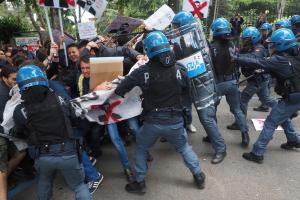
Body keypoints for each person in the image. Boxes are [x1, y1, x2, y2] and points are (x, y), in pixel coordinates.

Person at [115, 31, 206, 194]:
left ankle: (140, 182)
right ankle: (198, 175)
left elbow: (121, 89)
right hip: (176, 121)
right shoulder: (180, 68)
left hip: (152, 122)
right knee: (184, 147)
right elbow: (189, 93)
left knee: (141, 148)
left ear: (148, 50)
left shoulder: (143, 71)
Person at [13, 64, 91, 199]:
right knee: (79, 186)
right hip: (68, 152)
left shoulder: (20, 110)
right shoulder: (59, 98)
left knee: (44, 182)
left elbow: (20, 131)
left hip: (42, 156)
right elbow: (75, 117)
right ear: (43, 79)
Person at [230, 28, 300, 163]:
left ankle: (257, 153)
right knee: (282, 116)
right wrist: (264, 70)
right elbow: (277, 69)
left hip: (293, 97)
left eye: (273, 44)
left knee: (271, 122)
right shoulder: (295, 55)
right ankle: (293, 140)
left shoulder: (281, 60)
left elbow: (259, 62)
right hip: (295, 95)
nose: (271, 47)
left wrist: (237, 58)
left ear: (282, 44)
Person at [169, 11, 226, 164]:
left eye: (176, 27)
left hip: (201, 84)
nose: (174, 30)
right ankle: (207, 137)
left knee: (206, 117)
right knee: (190, 110)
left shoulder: (191, 42)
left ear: (183, 26)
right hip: (192, 83)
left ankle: (221, 148)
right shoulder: (189, 39)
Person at [227, 27, 277, 130]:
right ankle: (285, 110)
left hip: (258, 79)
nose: (244, 41)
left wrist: (237, 57)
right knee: (266, 99)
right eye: (244, 39)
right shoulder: (248, 47)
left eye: (246, 39)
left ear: (253, 38)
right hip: (259, 79)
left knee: (242, 100)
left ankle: (239, 123)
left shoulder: (259, 48)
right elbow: (241, 53)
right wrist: (235, 53)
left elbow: (253, 58)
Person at [210, 18, 250, 147]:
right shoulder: (233, 44)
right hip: (233, 81)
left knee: (212, 111)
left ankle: (212, 135)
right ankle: (245, 134)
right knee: (237, 109)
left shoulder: (212, 47)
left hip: (218, 83)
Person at [0, 65, 26, 200]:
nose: (17, 82)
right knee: (2, 172)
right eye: (14, 79)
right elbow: (5, 120)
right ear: (4, 78)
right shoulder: (3, 94)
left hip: (6, 132)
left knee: (21, 152)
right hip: (2, 133)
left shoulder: (10, 89)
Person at [253, 22, 274, 112]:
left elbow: (271, 52)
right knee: (264, 86)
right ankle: (264, 104)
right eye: (262, 30)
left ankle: (265, 105)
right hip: (263, 62)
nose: (263, 32)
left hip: (269, 63)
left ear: (269, 30)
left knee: (267, 85)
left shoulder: (271, 39)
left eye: (265, 30)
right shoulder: (262, 38)